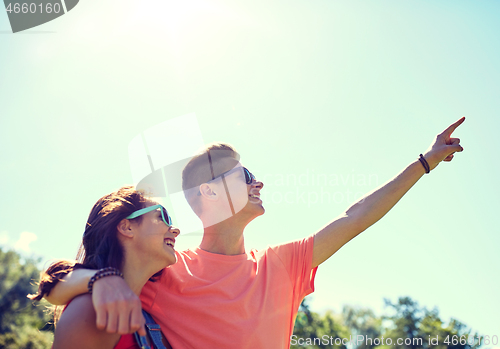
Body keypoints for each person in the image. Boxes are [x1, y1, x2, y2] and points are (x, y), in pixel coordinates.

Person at [42, 118, 465, 348]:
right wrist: (105, 278)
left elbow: (356, 217)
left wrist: (424, 163)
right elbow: (64, 287)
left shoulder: (282, 266)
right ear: (208, 191)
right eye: (245, 175)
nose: (257, 183)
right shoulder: (165, 269)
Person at [29, 186, 180, 349]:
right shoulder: (90, 311)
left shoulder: (151, 322)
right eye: (162, 216)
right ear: (127, 227)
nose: (176, 230)